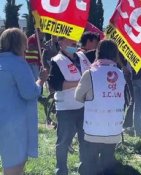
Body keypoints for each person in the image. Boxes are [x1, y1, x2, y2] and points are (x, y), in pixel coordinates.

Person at [0, 28, 48, 175]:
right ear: (20, 44)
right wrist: (41, 80)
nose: (27, 47)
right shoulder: (18, 63)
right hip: (13, 124)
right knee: (14, 166)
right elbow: (29, 93)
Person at [75, 39, 126, 175]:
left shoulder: (90, 73)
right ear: (115, 54)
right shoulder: (120, 74)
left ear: (98, 52)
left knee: (90, 164)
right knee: (108, 163)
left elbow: (78, 97)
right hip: (113, 129)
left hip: (94, 129)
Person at [48, 37, 91, 175]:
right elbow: (55, 85)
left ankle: (84, 168)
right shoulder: (57, 60)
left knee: (84, 140)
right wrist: (80, 83)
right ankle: (61, 170)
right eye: (69, 39)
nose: (74, 41)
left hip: (83, 107)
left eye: (75, 38)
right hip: (66, 108)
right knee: (63, 142)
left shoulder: (82, 56)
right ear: (60, 42)